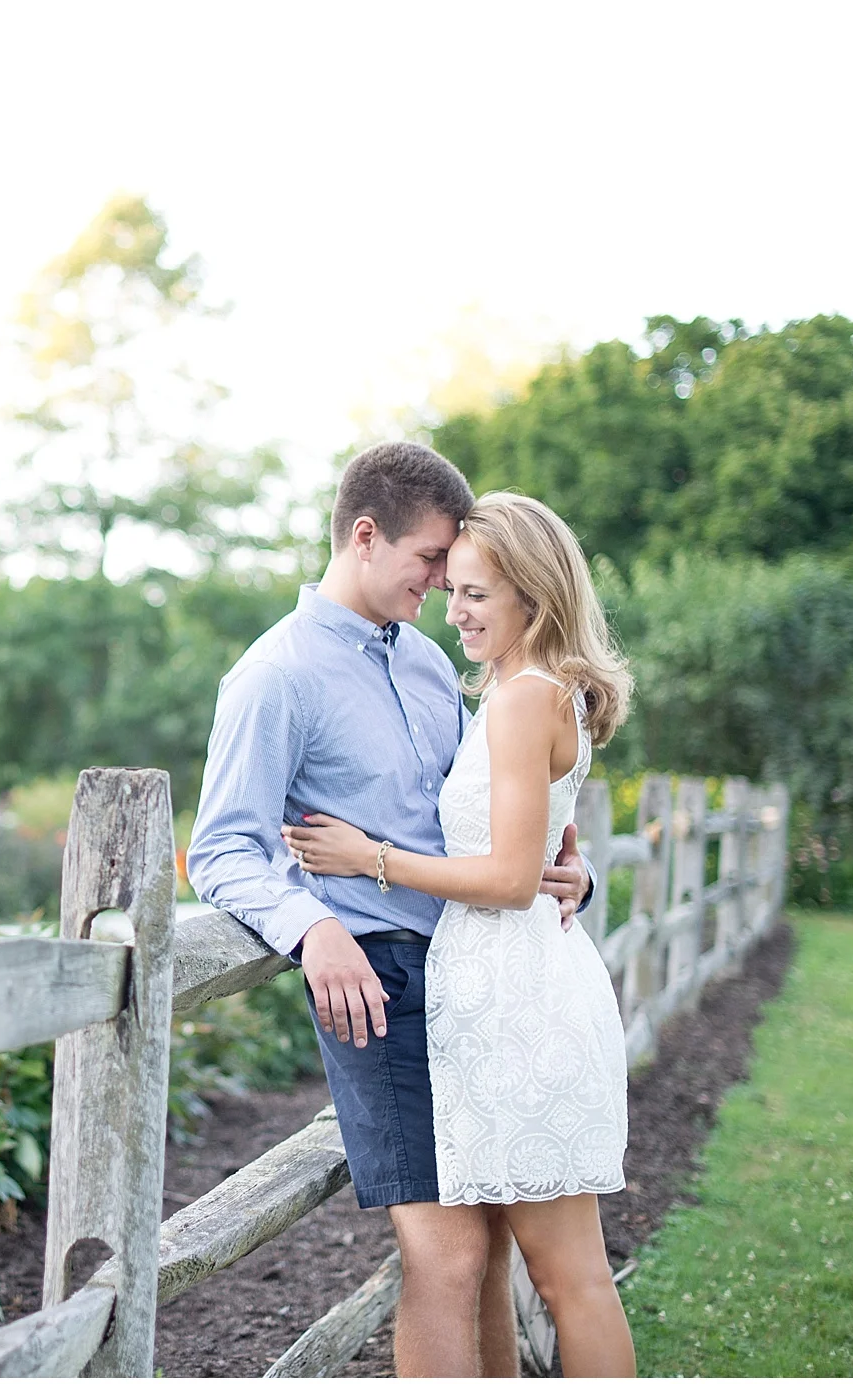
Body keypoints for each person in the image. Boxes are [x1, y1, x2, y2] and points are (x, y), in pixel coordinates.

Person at [187, 443, 595, 1378]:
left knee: (488, 1239)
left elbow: (493, 813)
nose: (445, 583)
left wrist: (570, 868)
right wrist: (313, 926)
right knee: (446, 1252)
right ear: (365, 536)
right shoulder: (276, 673)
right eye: (430, 560)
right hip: (380, 980)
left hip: (476, 974)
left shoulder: (428, 664)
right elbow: (220, 849)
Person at [282, 490, 637, 1377]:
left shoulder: (522, 700)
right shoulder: (523, 693)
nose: (456, 611)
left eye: (477, 594)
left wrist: (371, 858)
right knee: (542, 1266)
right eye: (453, 591)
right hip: (505, 997)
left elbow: (511, 880)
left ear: (534, 597)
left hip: (521, 1005)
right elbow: (533, 847)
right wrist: (575, 868)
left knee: (570, 1278)